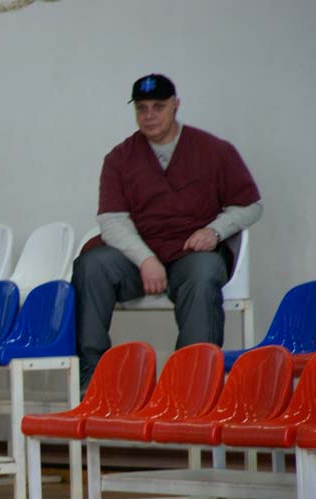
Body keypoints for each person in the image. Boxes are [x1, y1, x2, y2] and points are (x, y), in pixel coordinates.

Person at [72, 73, 262, 388]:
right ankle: (91, 377)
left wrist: (214, 231)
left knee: (204, 273)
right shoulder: (119, 158)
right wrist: (146, 260)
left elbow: (250, 206)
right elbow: (112, 220)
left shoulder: (213, 150)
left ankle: (193, 380)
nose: (149, 115)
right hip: (138, 257)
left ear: (176, 105)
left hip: (190, 253)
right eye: (141, 108)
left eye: (158, 107)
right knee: (91, 266)